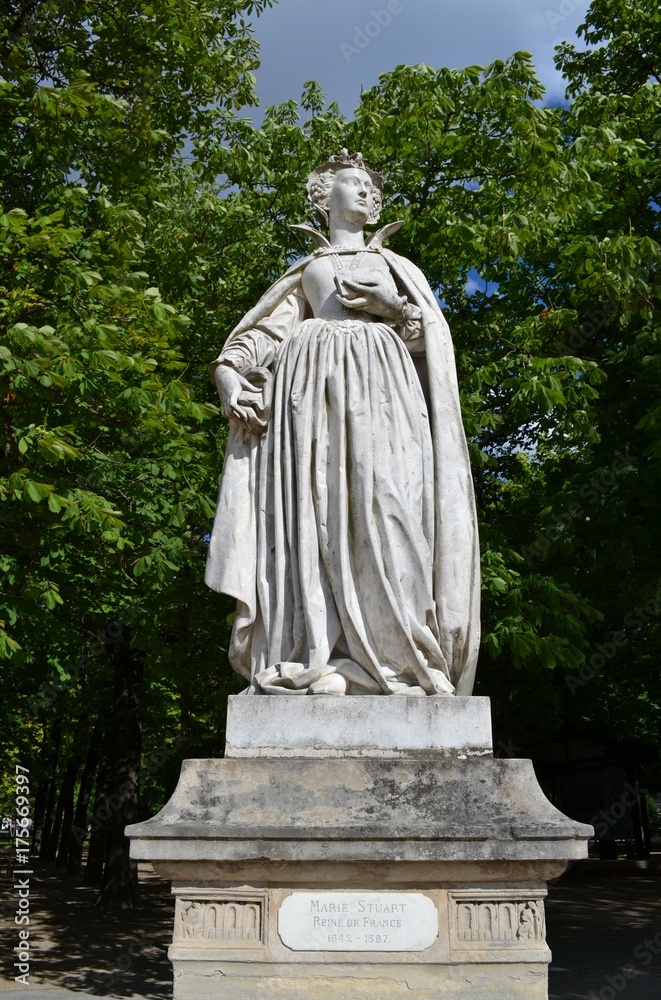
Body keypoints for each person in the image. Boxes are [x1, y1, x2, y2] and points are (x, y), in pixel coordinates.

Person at [206, 150, 480, 696]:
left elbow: (433, 345)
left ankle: (402, 663)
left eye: (369, 189)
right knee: (316, 516)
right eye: (352, 184)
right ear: (322, 196)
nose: (364, 193)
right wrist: (229, 377)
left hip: (385, 401)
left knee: (389, 509)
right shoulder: (307, 270)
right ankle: (322, 656)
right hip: (308, 406)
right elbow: (263, 333)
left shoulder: (399, 270)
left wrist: (393, 309)